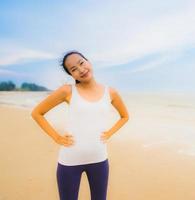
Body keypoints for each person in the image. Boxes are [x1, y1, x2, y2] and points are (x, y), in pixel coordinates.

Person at [31, 50, 129, 200]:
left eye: (81, 63)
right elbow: (37, 113)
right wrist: (56, 137)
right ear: (71, 75)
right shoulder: (67, 91)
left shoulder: (111, 93)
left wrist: (109, 133)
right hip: (70, 160)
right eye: (73, 69)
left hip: (99, 159)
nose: (81, 70)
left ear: (88, 61)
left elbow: (124, 116)